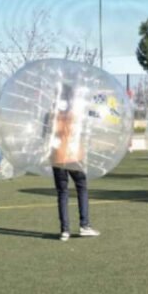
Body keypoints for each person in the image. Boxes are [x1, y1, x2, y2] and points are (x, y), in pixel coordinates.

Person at [47, 84, 100, 242]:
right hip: (74, 156)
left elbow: (46, 137)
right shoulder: (76, 114)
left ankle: (65, 231)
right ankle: (84, 225)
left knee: (62, 193)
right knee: (81, 188)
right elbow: (86, 132)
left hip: (57, 157)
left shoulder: (51, 115)